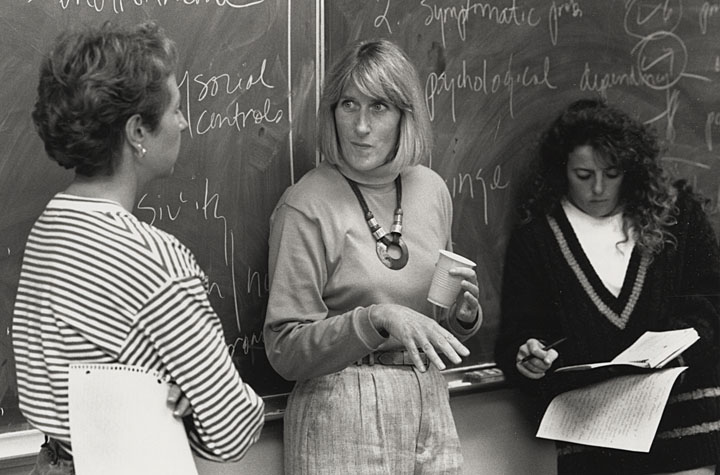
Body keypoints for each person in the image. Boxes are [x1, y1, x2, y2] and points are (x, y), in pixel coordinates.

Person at [12, 21, 264, 473]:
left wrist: (161, 386)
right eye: (175, 109)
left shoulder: (50, 226)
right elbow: (233, 429)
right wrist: (193, 396)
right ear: (137, 132)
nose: (184, 122)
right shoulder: (156, 262)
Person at [263, 38, 482, 474]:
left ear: (406, 116)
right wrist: (373, 319)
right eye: (348, 105)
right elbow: (285, 348)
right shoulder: (306, 203)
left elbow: (430, 323)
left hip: (429, 397)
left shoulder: (430, 189)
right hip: (342, 403)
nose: (360, 126)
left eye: (378, 107)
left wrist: (461, 315)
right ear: (332, 112)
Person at [495, 98, 720, 475]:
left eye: (612, 173)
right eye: (583, 175)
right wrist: (529, 358)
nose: (598, 188)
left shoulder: (676, 215)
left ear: (630, 170)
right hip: (596, 431)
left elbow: (713, 300)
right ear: (561, 170)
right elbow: (521, 333)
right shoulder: (537, 240)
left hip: (683, 418)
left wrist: (677, 343)